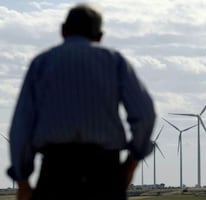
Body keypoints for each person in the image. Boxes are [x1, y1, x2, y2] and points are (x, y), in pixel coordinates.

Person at [7, 4, 156, 200]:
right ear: (100, 36)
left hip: (56, 174)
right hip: (105, 175)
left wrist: (23, 180)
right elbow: (145, 115)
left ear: (63, 30)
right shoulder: (115, 62)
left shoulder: (41, 64)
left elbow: (21, 126)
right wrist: (132, 162)